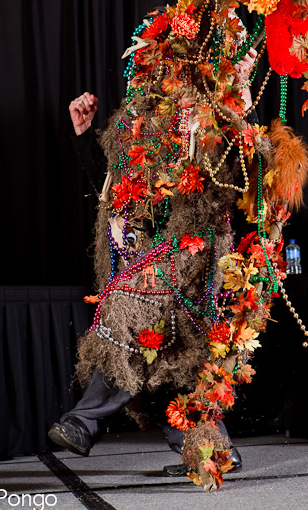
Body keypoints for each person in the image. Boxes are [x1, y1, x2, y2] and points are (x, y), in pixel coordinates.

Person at [48, 48, 258, 475]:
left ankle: (84, 422)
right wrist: (84, 136)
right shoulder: (139, 124)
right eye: (154, 70)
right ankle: (214, 450)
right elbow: (113, 191)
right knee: (166, 356)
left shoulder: (208, 118)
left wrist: (240, 98)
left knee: (130, 312)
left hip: (193, 252)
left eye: (172, 69)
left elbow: (240, 171)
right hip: (147, 253)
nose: (161, 78)